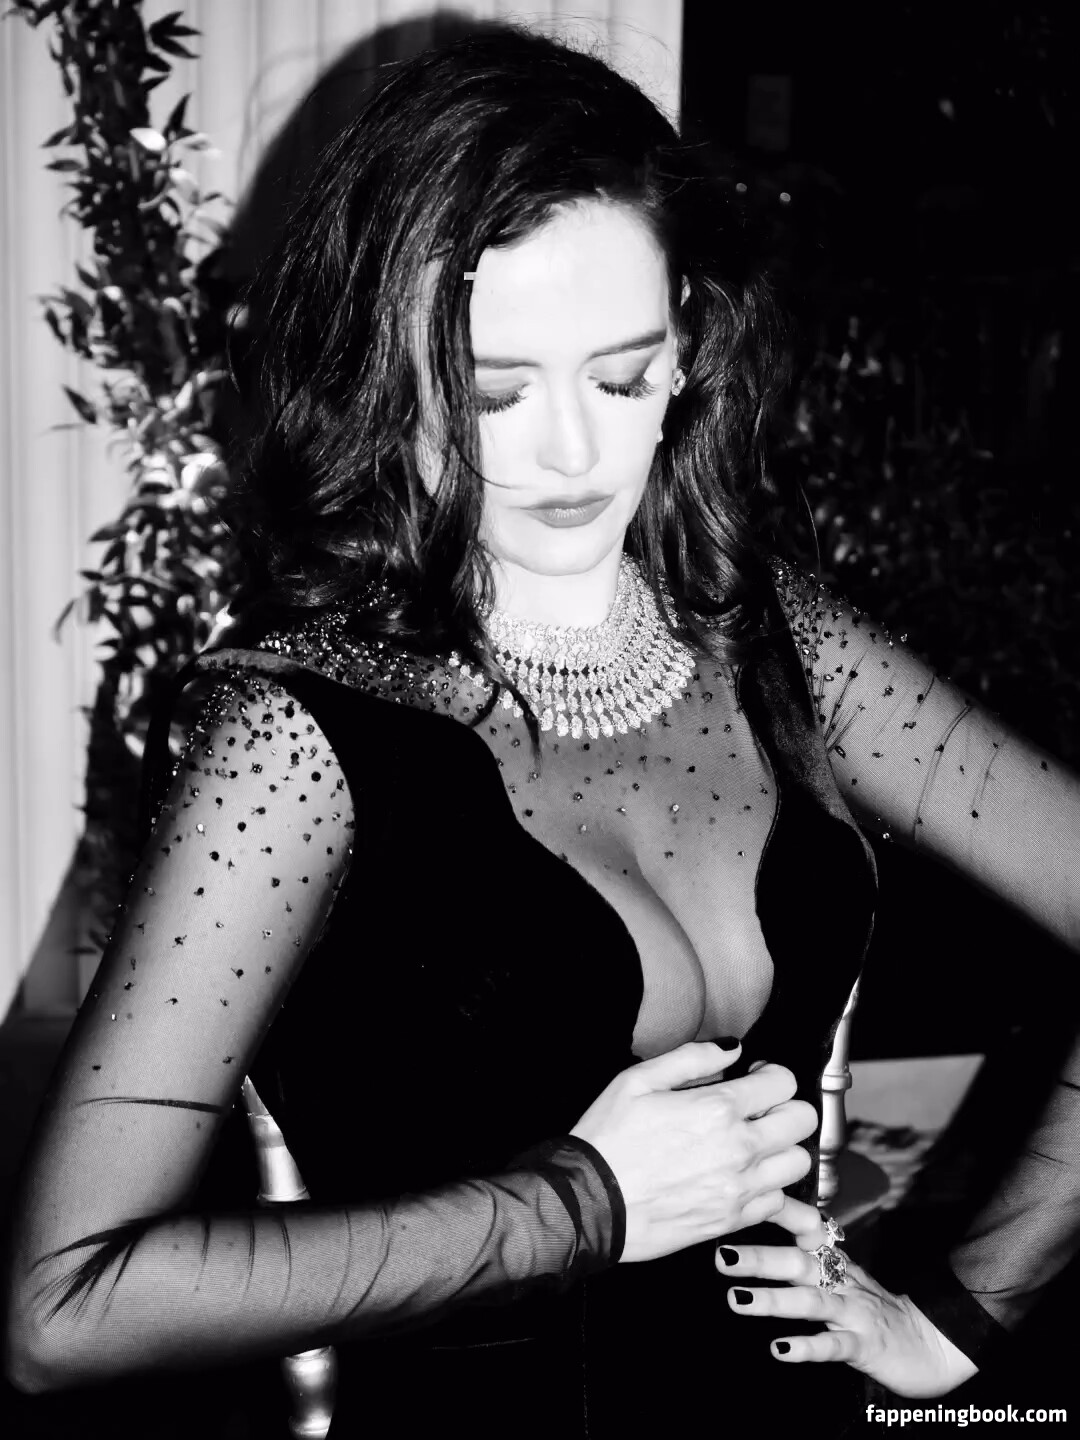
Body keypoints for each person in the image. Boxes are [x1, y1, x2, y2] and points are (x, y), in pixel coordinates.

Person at [4, 23, 1079, 1440]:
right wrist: (585, 1203)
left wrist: (959, 1319)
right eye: (495, 392)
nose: (572, 453)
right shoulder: (291, 741)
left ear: (688, 341)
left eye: (622, 377)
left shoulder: (785, 645)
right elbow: (66, 1308)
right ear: (391, 377)